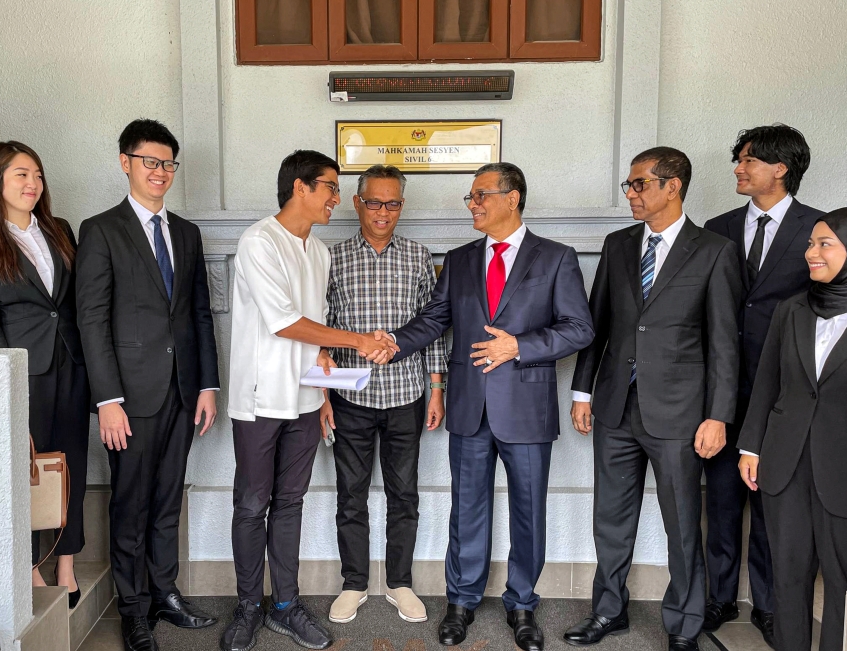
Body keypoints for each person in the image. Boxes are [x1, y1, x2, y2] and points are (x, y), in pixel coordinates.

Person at [378, 162, 594, 651]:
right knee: (467, 509)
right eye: (470, 197)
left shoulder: (556, 258)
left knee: (528, 511)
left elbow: (579, 328)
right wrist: (392, 342)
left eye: (481, 195)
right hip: (470, 407)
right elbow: (434, 319)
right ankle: (461, 601)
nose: (472, 204)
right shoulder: (458, 260)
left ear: (512, 197)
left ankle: (522, 604)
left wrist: (518, 346)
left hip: (527, 409)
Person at [566, 147, 742, 651]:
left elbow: (724, 343)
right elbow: (597, 326)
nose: (631, 194)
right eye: (629, 184)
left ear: (674, 187)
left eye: (640, 184)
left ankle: (684, 625)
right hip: (616, 406)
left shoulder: (713, 250)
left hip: (682, 415)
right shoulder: (618, 244)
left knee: (683, 524)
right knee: (611, 519)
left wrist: (718, 416)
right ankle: (608, 612)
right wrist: (583, 390)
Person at [220, 150, 397, 651]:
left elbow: (312, 335)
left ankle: (285, 605)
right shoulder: (259, 241)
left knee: (291, 504)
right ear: (300, 188)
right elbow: (283, 323)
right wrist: (360, 340)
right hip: (259, 400)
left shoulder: (317, 251)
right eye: (330, 189)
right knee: (253, 505)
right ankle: (248, 606)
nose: (336, 200)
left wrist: (321, 395)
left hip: (302, 400)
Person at [76, 119, 220, 651]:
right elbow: (91, 319)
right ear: (125, 163)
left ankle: (165, 594)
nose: (160, 172)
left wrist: (208, 385)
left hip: (183, 391)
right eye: (149, 162)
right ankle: (132, 608)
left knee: (166, 500)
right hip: (129, 397)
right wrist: (107, 399)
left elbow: (200, 313)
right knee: (130, 504)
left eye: (167, 164)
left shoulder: (185, 231)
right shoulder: (101, 229)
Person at [702, 124, 822, 646]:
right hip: (722, 391)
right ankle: (719, 598)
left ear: (781, 167)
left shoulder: (818, 228)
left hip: (784, 396)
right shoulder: (716, 227)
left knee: (776, 505)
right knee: (721, 502)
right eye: (738, 160)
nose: (738, 168)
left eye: (748, 160)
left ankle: (771, 606)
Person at [0, 141, 88, 607]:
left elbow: (71, 305)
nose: (33, 184)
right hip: (21, 372)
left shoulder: (59, 230)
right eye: (21, 175)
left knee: (70, 464)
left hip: (70, 364)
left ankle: (66, 562)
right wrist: (1, 383)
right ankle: (31, 568)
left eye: (37, 175)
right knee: (28, 470)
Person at [321, 165, 448, 626]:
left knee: (404, 495)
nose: (382, 211)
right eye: (374, 201)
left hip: (406, 396)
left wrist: (436, 391)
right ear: (357, 203)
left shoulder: (418, 256)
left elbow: (433, 328)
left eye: (392, 203)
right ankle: (354, 583)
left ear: (402, 206)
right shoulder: (331, 258)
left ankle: (399, 583)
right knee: (350, 496)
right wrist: (321, 397)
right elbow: (321, 332)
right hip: (350, 399)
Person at [738, 208, 847, 651]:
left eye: (824, 244)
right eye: (811, 243)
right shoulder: (792, 309)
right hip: (785, 464)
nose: (811, 253)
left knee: (845, 585)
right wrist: (750, 446)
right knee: (787, 578)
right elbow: (767, 384)